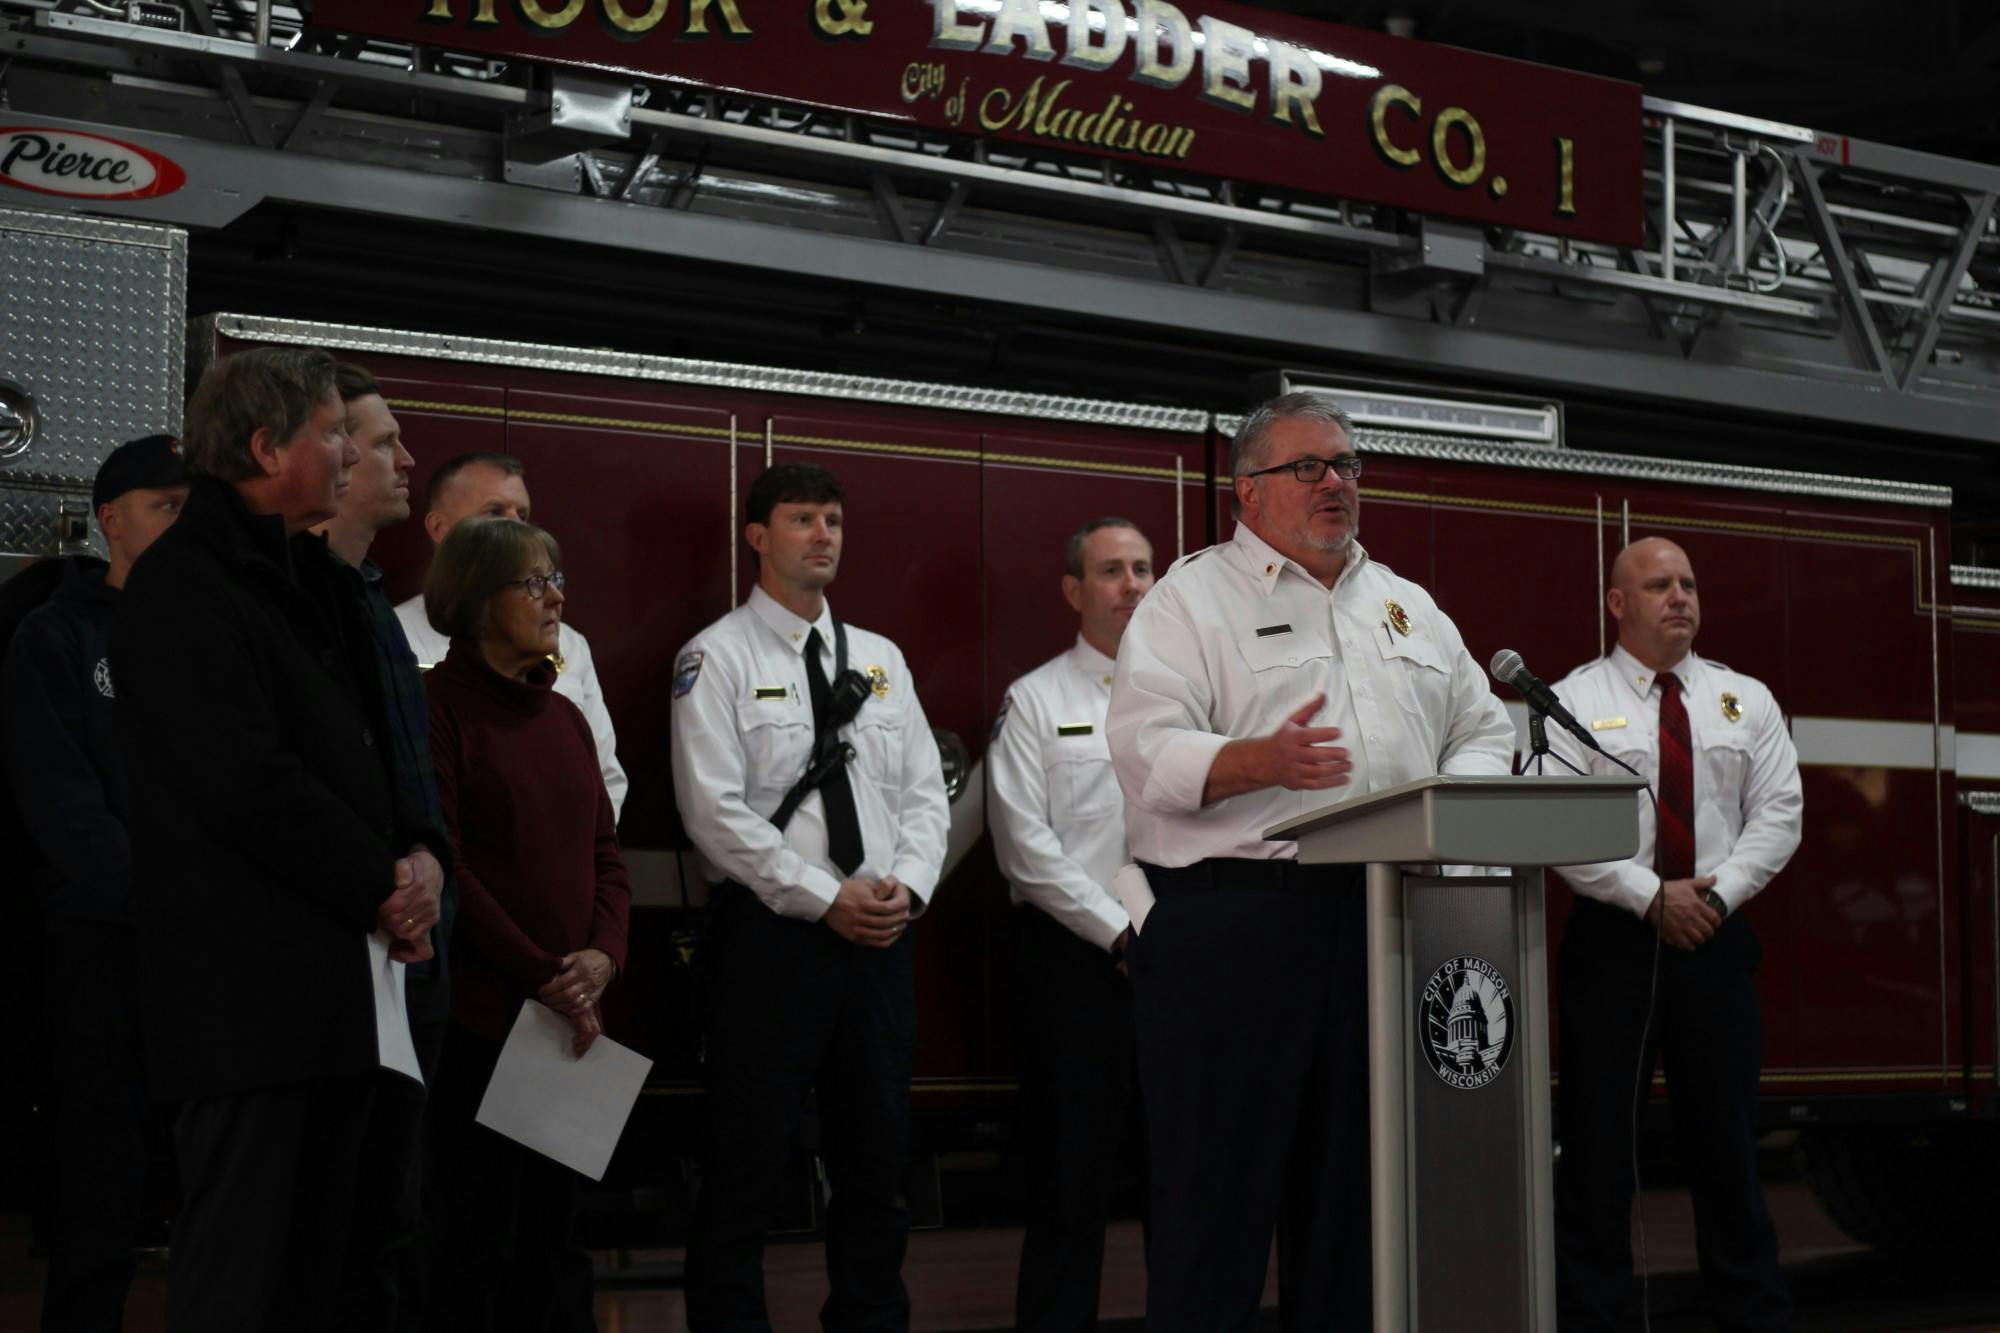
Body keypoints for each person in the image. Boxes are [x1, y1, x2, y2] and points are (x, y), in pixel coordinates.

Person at [1104, 391, 1514, 1331]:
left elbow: (1483, 728)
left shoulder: (1406, 606)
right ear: (1248, 492)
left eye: (1347, 465)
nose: (1335, 483)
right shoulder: (1188, 600)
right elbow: (1141, 750)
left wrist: (1449, 807)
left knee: (1357, 1206)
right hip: (1237, 923)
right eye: (1309, 468)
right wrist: (1257, 761)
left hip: (1384, 922)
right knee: (1217, 1202)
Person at [111, 346, 447, 1333]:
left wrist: (421, 852)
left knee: (330, 1268)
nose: (351, 453)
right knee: (244, 1277)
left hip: (342, 993)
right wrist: (378, 880)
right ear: (265, 448)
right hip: (246, 1009)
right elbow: (244, 779)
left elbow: (376, 754)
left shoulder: (314, 582)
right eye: (333, 433)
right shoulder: (187, 587)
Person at [671, 462, 950, 1331]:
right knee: (745, 1165)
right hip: (772, 941)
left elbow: (922, 797)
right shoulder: (713, 656)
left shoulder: (880, 660)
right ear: (757, 537)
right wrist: (823, 896)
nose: (823, 534)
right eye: (801, 519)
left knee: (877, 1165)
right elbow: (710, 812)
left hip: (879, 937)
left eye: (832, 519)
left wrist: (903, 887)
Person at [1544, 536, 1801, 1332]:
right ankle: (1596, 1315)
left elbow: (1780, 813)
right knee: (1596, 1155)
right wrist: (1649, 894)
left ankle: (1751, 1313)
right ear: (1618, 603)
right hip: (1614, 944)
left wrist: (1713, 899)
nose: (1680, 597)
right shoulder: (1571, 700)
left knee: (1728, 1149)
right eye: (1658, 585)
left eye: (1688, 583)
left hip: (1714, 942)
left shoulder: (1743, 698)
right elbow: (1554, 821)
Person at [423, 515, 631, 1332]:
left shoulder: (565, 716)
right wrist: (545, 970)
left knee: (554, 1243)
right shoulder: (437, 707)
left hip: (567, 1025)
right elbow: (447, 864)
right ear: (478, 602)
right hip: (478, 1022)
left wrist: (603, 958)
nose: (556, 597)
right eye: (534, 582)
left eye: (557, 578)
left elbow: (606, 855)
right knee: (472, 1246)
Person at [3, 434, 186, 1333]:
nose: (182, 525)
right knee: (100, 1180)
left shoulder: (209, 635)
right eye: (165, 507)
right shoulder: (55, 636)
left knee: (205, 1177)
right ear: (110, 520)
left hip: (206, 953)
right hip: (101, 947)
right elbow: (61, 800)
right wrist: (153, 897)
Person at [311, 362, 457, 1326]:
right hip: (325, 950)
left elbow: (409, 778)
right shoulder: (297, 599)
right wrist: (382, 875)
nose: (408, 458)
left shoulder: (367, 598)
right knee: (322, 1216)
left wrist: (427, 857)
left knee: (389, 1213)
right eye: (384, 440)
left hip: (403, 948)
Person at [989, 516, 1155, 1333]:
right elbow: (1026, 848)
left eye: (1142, 569)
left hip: (1180, 965)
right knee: (1068, 1195)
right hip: (1075, 969)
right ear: (1073, 590)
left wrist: (1168, 935)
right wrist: (1121, 931)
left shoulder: (1190, 700)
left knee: (1186, 1189)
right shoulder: (1035, 700)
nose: (1131, 585)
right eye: (1112, 571)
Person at [395, 451, 626, 820]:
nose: (516, 528)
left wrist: (580, 861)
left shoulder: (568, 643)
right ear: (440, 529)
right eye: (494, 513)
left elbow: (605, 778)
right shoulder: (396, 636)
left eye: (523, 515)